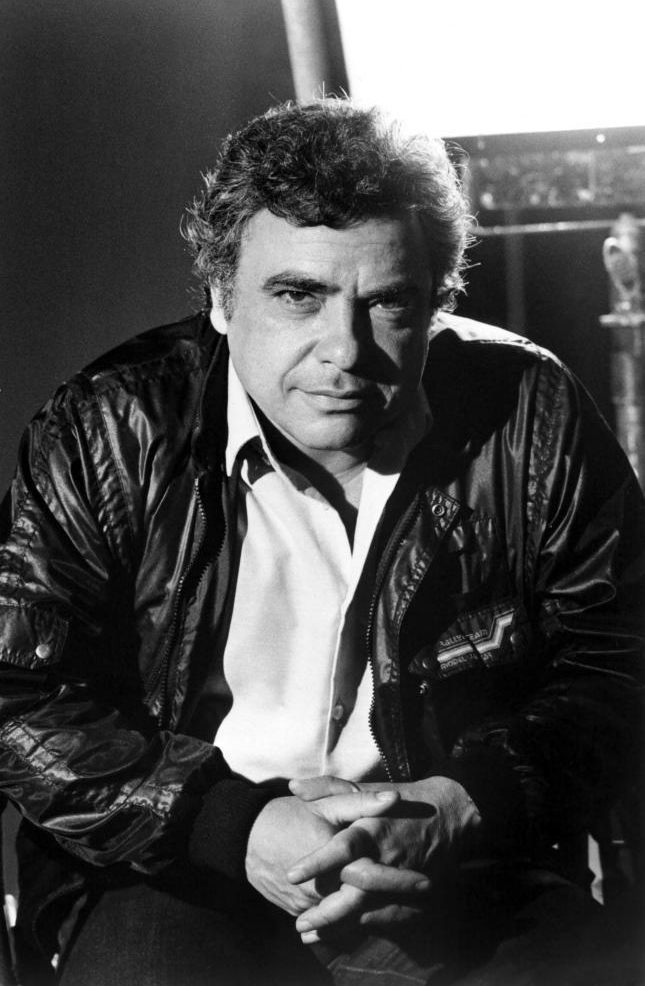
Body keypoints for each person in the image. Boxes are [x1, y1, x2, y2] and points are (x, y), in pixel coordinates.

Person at [0, 98, 642, 986]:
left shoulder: (531, 409)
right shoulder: (110, 425)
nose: (343, 350)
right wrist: (230, 826)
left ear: (435, 304)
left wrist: (464, 803)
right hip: (173, 861)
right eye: (297, 296)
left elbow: (618, 660)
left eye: (387, 302)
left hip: (458, 854)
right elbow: (18, 690)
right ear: (221, 298)